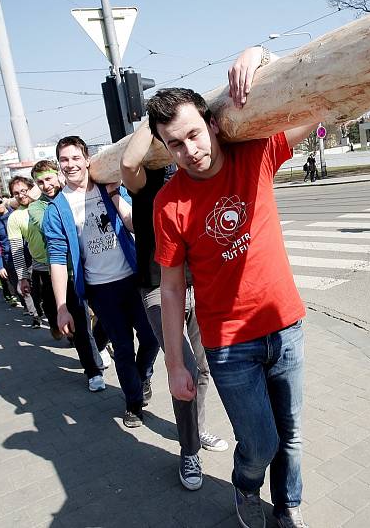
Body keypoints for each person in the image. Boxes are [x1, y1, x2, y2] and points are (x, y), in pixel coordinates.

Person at [150, 45, 317, 528]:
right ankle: (246, 485)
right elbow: (172, 290)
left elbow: (315, 103)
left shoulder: (257, 154)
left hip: (286, 326)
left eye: (194, 135)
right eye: (176, 144)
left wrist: (262, 56)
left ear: (213, 124)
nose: (190, 151)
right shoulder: (169, 203)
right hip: (228, 345)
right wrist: (176, 365)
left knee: (292, 435)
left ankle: (287, 507)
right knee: (260, 441)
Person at [120, 127, 228, 491]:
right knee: (182, 369)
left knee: (202, 369)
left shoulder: (194, 168)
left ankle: (196, 433)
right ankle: (188, 451)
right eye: (170, 138)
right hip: (158, 289)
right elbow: (127, 161)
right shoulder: (144, 178)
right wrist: (148, 125)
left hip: (200, 285)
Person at [43, 136, 159, 427]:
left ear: (86, 159)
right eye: (64, 160)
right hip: (100, 289)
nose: (70, 165)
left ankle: (142, 376)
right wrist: (61, 306)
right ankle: (133, 403)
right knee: (122, 346)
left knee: (152, 337)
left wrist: (117, 196)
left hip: (132, 279)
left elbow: (134, 225)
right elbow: (57, 261)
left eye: (74, 158)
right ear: (60, 166)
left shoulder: (109, 188)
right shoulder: (56, 209)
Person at [30, 160, 111, 387]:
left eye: (48, 178)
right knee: (80, 324)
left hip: (91, 265)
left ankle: (100, 344)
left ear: (58, 175)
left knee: (107, 317)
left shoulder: (78, 193)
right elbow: (52, 227)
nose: (46, 185)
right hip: (64, 274)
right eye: (40, 182)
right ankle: (93, 371)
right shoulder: (38, 208)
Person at [0, 189, 41, 326]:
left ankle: (39, 308)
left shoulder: (17, 214)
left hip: (29, 254)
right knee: (23, 287)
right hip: (10, 259)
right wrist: (0, 266)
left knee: (36, 285)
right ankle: (35, 316)